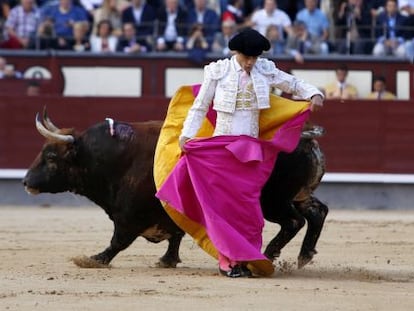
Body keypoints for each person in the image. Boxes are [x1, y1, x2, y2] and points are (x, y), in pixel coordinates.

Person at [156, 28, 324, 278]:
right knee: (222, 210)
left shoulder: (264, 70)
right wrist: (186, 135)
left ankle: (244, 258)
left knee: (250, 213)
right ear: (235, 52)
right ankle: (228, 262)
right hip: (220, 151)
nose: (250, 62)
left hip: (249, 152)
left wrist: (314, 93)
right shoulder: (218, 71)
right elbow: (200, 106)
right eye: (247, 57)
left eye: (254, 57)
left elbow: (293, 83)